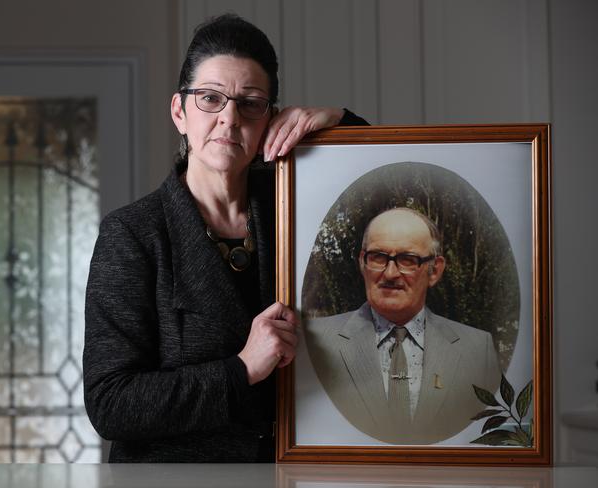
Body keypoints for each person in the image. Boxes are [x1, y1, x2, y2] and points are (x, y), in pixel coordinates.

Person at [83, 14, 368, 463]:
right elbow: (111, 403)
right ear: (180, 111)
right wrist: (240, 370)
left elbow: (384, 190)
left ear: (269, 118)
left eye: (250, 103)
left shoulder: (295, 206)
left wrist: (338, 120)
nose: (229, 119)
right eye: (210, 99)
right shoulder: (132, 233)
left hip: (291, 476)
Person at [305, 207, 501, 445]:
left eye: (407, 260)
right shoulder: (313, 341)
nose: (390, 273)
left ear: (435, 270)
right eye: (378, 257)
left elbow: (488, 439)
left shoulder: (478, 349)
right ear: (362, 262)